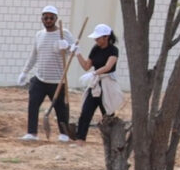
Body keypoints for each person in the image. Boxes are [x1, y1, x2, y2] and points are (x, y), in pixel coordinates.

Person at [20, 9, 81, 142]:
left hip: (57, 80)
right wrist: (25, 72)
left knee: (61, 108)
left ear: (55, 18)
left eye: (51, 18)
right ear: (42, 19)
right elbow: (33, 55)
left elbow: (75, 50)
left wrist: (67, 47)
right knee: (33, 105)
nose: (48, 21)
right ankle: (32, 133)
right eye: (45, 18)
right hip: (40, 78)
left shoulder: (63, 33)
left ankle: (64, 134)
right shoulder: (39, 35)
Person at [68, 25, 119, 142]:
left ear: (106, 37)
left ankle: (112, 140)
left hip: (107, 84)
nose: (95, 40)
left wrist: (94, 73)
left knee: (108, 113)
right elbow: (86, 66)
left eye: (98, 38)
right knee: (86, 111)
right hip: (95, 83)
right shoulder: (95, 48)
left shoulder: (113, 50)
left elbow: (108, 67)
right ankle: (80, 138)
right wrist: (78, 53)